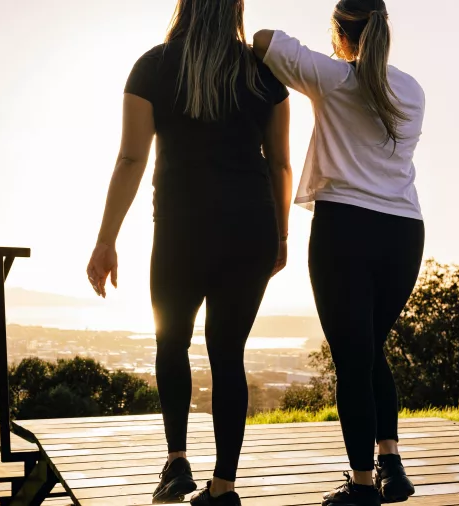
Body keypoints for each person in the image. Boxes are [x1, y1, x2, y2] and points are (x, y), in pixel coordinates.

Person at [85, 0, 293, 504]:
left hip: (182, 229)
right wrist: (281, 235)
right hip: (251, 229)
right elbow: (281, 165)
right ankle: (223, 487)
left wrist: (106, 238)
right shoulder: (263, 74)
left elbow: (132, 157)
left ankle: (177, 464)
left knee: (171, 343)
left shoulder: (153, 66)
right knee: (228, 354)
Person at [253, 1, 424, 505]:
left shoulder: (331, 78)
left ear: (341, 33)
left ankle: (362, 485)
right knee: (371, 349)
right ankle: (391, 465)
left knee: (352, 359)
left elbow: (262, 39)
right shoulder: (411, 89)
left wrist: (332, 58)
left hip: (344, 230)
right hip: (404, 233)